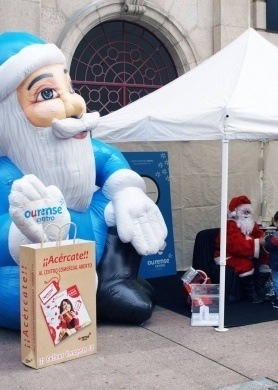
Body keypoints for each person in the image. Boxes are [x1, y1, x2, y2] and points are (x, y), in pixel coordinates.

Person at [0, 31, 167, 330]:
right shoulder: (7, 175)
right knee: (21, 296)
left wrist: (127, 192)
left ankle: (112, 280)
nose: (76, 105)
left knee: (119, 205)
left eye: (69, 87)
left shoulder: (83, 145)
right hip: (31, 267)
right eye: (47, 94)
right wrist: (22, 233)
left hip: (92, 240)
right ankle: (78, 296)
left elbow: (109, 158)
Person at [214, 195, 269, 303]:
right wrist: (257, 242)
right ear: (236, 213)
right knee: (245, 265)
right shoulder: (230, 225)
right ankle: (251, 294)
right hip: (227, 254)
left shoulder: (249, 223)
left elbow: (258, 234)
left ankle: (260, 287)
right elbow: (237, 246)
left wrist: (265, 239)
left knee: (267, 256)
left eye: (249, 212)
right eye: (245, 212)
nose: (247, 215)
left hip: (242, 252)